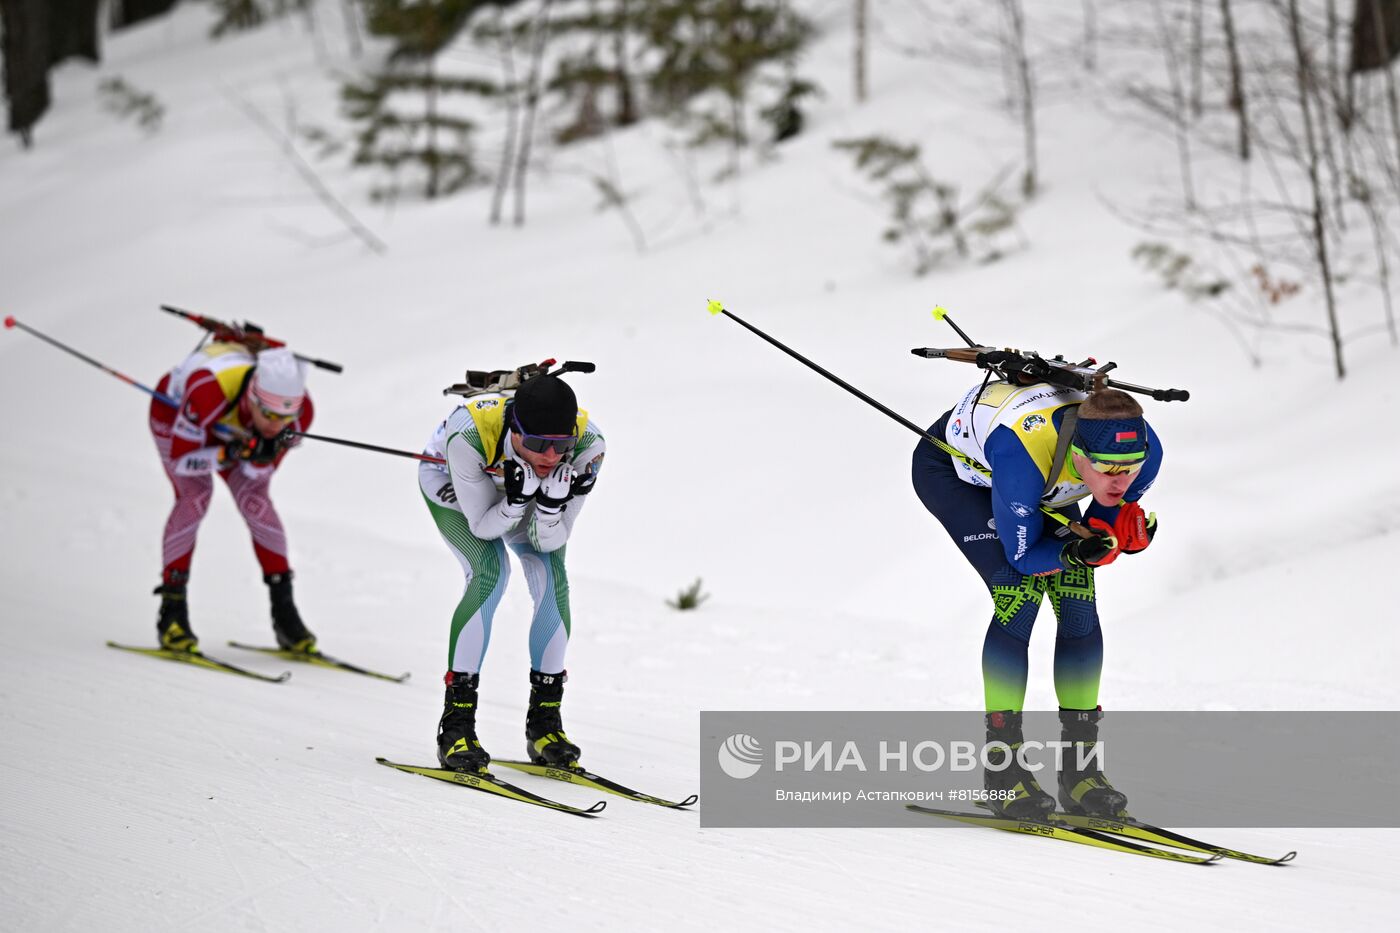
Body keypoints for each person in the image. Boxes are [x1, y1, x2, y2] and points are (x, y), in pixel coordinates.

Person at [911, 374, 1162, 819]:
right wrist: (1076, 550)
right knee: (1017, 592)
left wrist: (1117, 539)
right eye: (1107, 469)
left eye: (1130, 469)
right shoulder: (1022, 454)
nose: (1120, 481)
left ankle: (1080, 772)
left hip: (1047, 480)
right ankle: (1002, 774)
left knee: (1077, 596)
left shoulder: (1147, 453)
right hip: (961, 476)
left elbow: (1103, 528)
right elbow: (1024, 555)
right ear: (1082, 455)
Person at [418, 371, 606, 773]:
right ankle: (456, 726)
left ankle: (544, 725)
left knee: (554, 582)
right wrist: (518, 501)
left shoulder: (590, 445)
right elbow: (483, 526)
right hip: (452, 482)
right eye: (539, 444)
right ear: (516, 431)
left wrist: (552, 506)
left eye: (561, 446)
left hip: (518, 492)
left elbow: (549, 542)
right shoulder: (469, 433)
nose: (551, 457)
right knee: (490, 572)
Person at [148, 344, 317, 654]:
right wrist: (230, 453)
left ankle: (285, 613)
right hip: (177, 416)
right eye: (268, 414)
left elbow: (257, 477)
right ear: (253, 397)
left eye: (285, 416)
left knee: (257, 503)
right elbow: (182, 458)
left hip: (233, 432)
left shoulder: (300, 417)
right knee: (195, 497)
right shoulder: (208, 391)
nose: (276, 425)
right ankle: (171, 613)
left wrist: (260, 457)